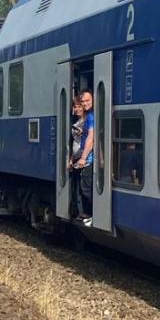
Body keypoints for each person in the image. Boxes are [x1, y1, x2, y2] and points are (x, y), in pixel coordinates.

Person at [72, 88, 95, 224]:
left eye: (87, 100)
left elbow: (91, 138)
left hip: (89, 159)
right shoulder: (89, 117)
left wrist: (83, 158)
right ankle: (87, 213)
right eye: (83, 101)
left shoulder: (91, 117)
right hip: (86, 158)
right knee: (83, 187)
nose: (85, 103)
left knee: (86, 188)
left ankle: (91, 214)